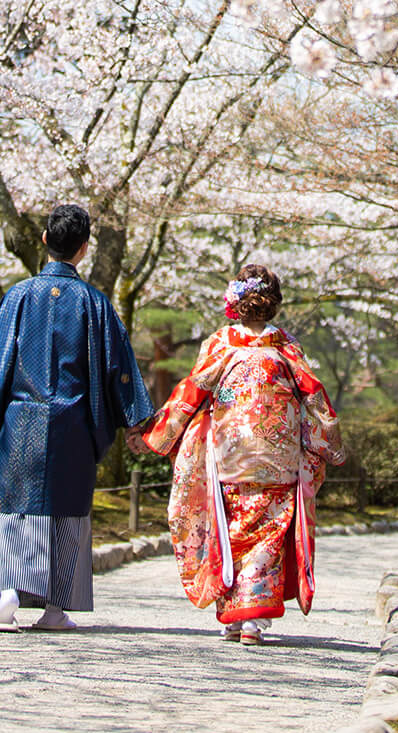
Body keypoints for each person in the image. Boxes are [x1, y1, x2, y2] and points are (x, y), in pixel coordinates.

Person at [0, 202, 153, 631]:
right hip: (72, 424)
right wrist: (136, 420)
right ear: (84, 249)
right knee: (66, 509)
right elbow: (117, 369)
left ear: (45, 240)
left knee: (13, 507)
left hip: (19, 422)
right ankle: (53, 608)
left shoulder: (17, 297)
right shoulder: (94, 303)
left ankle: (8, 592)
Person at [130, 262, 344, 645]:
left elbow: (192, 393)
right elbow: (314, 395)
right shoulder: (287, 347)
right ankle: (252, 620)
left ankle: (233, 614)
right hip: (278, 456)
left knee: (231, 531)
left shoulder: (219, 345)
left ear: (236, 302)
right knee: (269, 533)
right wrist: (330, 444)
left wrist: (159, 432)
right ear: (273, 304)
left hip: (230, 454)